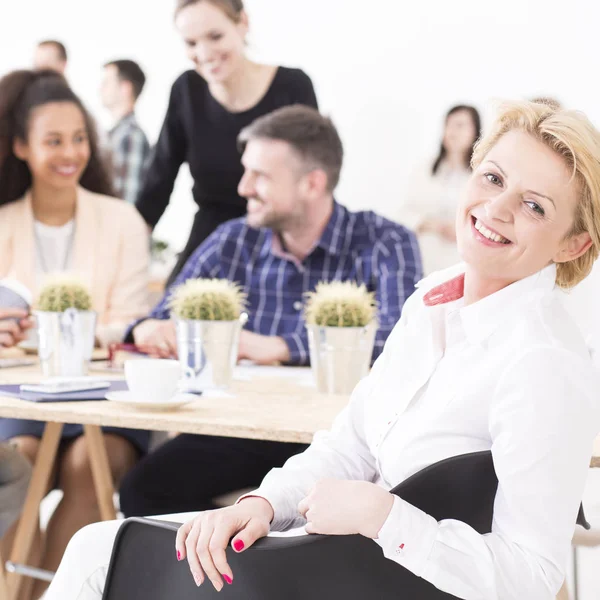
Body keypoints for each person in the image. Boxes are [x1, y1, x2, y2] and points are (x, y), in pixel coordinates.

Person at [45, 100, 600, 600]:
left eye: (534, 206)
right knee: (107, 543)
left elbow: (532, 576)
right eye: (492, 177)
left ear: (575, 242)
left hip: (370, 577)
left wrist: (385, 516)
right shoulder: (434, 301)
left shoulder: (544, 362)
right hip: (334, 558)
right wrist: (261, 504)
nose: (497, 209)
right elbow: (350, 444)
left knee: (101, 555)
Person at [117, 105, 421, 518]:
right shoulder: (233, 239)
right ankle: (237, 569)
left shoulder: (386, 242)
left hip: (340, 442)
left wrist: (279, 346)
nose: (243, 187)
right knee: (143, 490)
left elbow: (401, 343)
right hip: (244, 431)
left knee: (333, 519)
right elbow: (160, 314)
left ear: (313, 183)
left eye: (259, 175)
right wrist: (149, 328)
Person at [0, 69, 151, 599]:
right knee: (15, 459)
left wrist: (45, 331)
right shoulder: (2, 222)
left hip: (105, 395)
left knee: (92, 465)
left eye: (80, 138)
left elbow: (130, 323)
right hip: (23, 396)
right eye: (54, 141)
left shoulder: (122, 220)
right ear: (20, 146)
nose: (71, 153)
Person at [135, 0, 319, 286]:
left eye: (215, 36)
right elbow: (158, 182)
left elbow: (312, 182)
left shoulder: (293, 87)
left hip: (278, 240)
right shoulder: (186, 90)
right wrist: (125, 250)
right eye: (191, 43)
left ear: (243, 23)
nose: (204, 53)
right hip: (209, 243)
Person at [397, 105, 481, 275]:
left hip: (462, 263)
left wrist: (460, 229)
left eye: (459, 125)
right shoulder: (425, 168)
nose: (452, 131)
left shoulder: (482, 174)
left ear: (475, 130)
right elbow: (404, 214)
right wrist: (435, 226)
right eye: (448, 125)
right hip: (425, 259)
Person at [100, 59, 151, 205]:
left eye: (107, 82)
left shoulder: (131, 137)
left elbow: (125, 203)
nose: (100, 88)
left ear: (125, 88)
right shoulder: (114, 135)